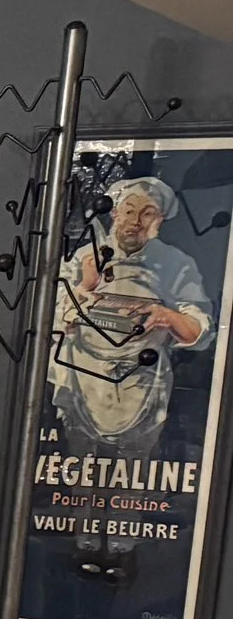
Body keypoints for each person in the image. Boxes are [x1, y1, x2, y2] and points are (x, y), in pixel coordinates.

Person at [51, 173, 216, 459]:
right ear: (115, 214)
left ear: (159, 221)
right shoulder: (83, 259)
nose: (136, 221)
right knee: (77, 465)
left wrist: (167, 316)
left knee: (134, 470)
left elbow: (197, 332)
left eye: (147, 213)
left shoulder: (176, 264)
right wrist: (85, 287)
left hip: (141, 383)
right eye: (129, 211)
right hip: (83, 378)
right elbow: (51, 318)